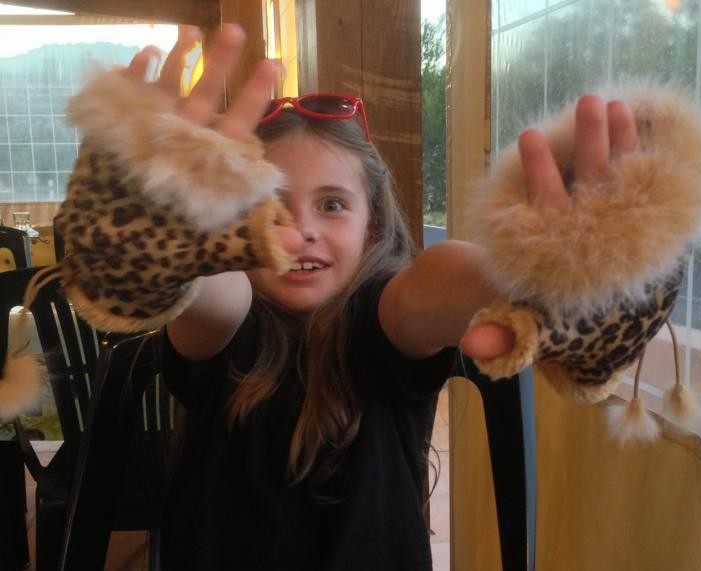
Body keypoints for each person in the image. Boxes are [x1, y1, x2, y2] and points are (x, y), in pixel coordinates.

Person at [120, 24, 638, 571]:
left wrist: (550, 278)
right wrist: (162, 238)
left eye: (332, 205)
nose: (301, 231)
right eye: (268, 207)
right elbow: (206, 290)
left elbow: (432, 283)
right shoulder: (225, 318)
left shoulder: (381, 317)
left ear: (371, 227)